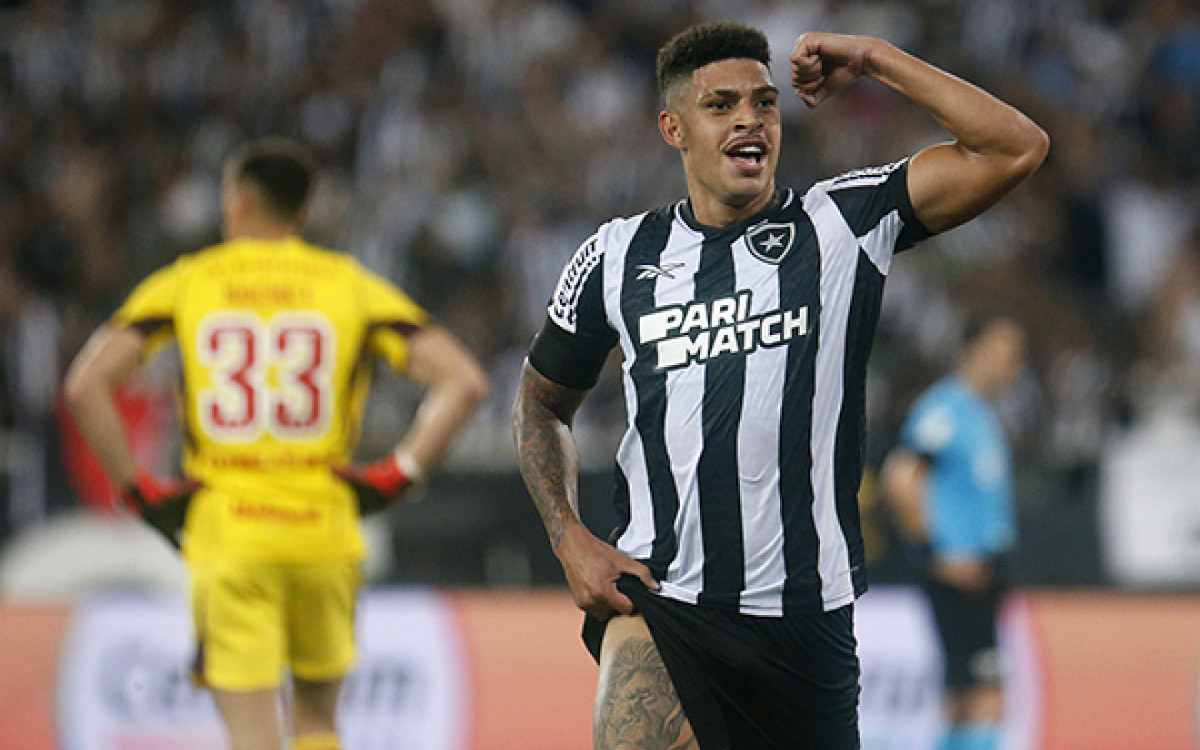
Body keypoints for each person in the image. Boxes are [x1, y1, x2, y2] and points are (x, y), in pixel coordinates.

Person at [512, 21, 1047, 750]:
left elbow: (1015, 146)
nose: (748, 120)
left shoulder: (841, 224)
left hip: (808, 622)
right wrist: (567, 534)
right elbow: (540, 405)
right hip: (666, 604)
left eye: (764, 103)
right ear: (674, 129)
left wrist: (876, 59)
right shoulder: (615, 255)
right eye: (721, 105)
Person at [64, 138, 488, 750]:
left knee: (253, 738)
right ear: (302, 213)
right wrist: (401, 472)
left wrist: (139, 490)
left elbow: (86, 386)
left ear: (237, 201)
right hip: (323, 527)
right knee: (318, 725)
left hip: (229, 529)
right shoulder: (346, 283)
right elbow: (463, 381)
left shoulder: (191, 281)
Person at [882, 314, 1026, 750]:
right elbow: (901, 477)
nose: (1014, 364)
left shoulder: (981, 412)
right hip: (959, 570)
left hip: (982, 570)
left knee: (962, 691)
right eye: (1004, 351)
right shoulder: (945, 408)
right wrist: (933, 553)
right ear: (973, 350)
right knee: (986, 693)